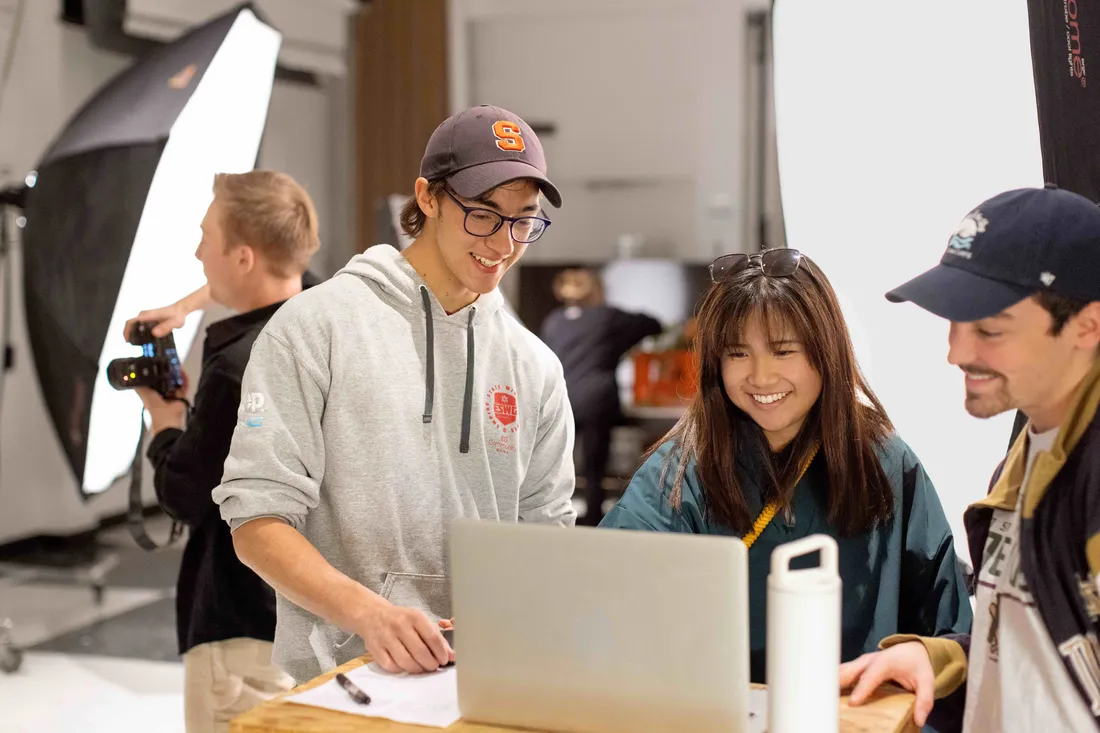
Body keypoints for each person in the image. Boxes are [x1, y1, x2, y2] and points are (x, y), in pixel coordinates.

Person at [211, 105, 577, 684]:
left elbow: (547, 531)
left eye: (523, 221)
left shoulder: (535, 366)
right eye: (483, 215)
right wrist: (368, 615)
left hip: (484, 676)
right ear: (427, 198)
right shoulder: (316, 327)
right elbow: (257, 521)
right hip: (341, 680)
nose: (504, 243)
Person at [599, 248, 972, 690]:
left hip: (858, 714)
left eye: (783, 351)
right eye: (737, 353)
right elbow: (609, 591)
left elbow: (948, 631)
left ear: (825, 351)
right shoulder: (681, 469)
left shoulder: (884, 461)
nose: (761, 377)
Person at [842, 185, 1100, 732]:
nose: (957, 353)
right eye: (956, 324)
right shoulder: (1033, 449)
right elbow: (1036, 644)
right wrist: (944, 659)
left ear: (1087, 326)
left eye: (989, 330)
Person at [128, 170, 321, 733]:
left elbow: (187, 492)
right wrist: (189, 305)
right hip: (312, 618)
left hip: (241, 628)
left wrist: (164, 421)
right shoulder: (325, 325)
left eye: (206, 238)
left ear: (242, 258)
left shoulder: (240, 368)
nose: (196, 252)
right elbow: (292, 269)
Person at [540, 267, 662, 525]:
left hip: (562, 399)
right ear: (596, 289)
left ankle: (559, 525)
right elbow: (653, 324)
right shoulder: (607, 318)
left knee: (556, 470)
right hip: (597, 401)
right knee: (595, 471)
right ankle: (594, 524)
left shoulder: (553, 321)